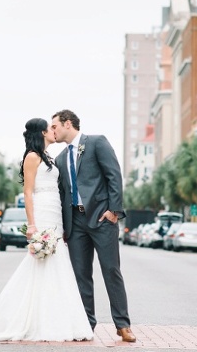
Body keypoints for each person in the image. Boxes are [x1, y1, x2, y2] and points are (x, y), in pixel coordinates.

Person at [0, 118, 93, 342]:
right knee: (39, 264)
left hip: (55, 214)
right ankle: (29, 320)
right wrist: (32, 225)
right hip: (41, 213)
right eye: (50, 128)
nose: (54, 131)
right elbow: (28, 192)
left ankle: (58, 319)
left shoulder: (48, 157)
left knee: (57, 264)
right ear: (42, 132)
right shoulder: (32, 157)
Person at [51, 109, 136, 343]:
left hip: (101, 219)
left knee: (111, 270)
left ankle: (123, 324)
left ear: (68, 124)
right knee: (81, 275)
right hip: (75, 223)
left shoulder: (97, 142)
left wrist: (113, 211)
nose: (53, 131)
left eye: (55, 126)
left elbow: (114, 176)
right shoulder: (59, 159)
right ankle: (87, 324)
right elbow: (62, 194)